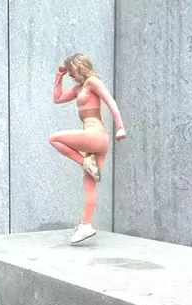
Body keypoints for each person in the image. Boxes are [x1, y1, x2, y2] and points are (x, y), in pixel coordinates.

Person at [51, 53, 126, 244]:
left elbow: (110, 101)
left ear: (78, 67)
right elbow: (57, 99)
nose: (70, 75)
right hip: (93, 139)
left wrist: (120, 127)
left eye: (71, 70)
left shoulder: (92, 81)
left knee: (54, 139)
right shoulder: (79, 89)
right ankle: (86, 225)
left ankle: (85, 162)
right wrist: (59, 76)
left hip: (96, 134)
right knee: (89, 184)